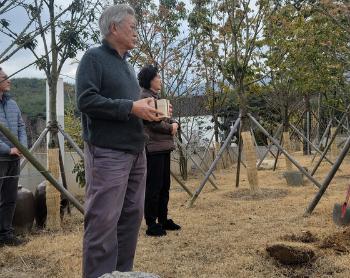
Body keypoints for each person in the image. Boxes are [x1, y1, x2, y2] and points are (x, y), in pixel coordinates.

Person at [76, 4, 163, 278]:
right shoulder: (93, 58)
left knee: (130, 219)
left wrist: (149, 111)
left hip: (136, 152)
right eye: (133, 27)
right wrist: (131, 107)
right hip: (108, 153)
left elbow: (130, 107)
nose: (136, 32)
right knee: (103, 222)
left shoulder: (126, 67)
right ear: (114, 28)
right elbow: (86, 100)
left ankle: (122, 274)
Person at [138, 65, 181, 237]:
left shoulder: (157, 97)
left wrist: (175, 123)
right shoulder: (144, 98)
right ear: (150, 80)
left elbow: (165, 117)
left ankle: (163, 219)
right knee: (154, 187)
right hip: (153, 147)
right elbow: (152, 122)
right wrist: (171, 127)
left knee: (165, 186)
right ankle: (151, 223)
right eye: (158, 77)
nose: (160, 80)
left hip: (163, 146)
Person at [0, 67, 27, 247]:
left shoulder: (13, 104)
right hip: (2, 157)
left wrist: (21, 146)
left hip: (14, 158)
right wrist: (7, 150)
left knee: (10, 197)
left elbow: (21, 127)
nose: (9, 80)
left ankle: (6, 234)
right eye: (5, 77)